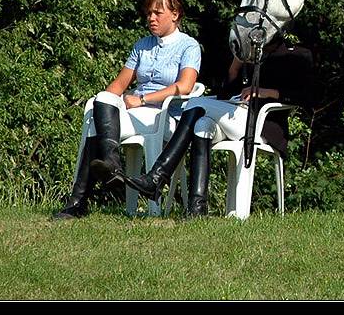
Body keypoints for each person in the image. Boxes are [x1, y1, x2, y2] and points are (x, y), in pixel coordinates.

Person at [120, 35, 313, 217]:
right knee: (202, 125)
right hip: (233, 115)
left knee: (195, 103)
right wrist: (234, 69)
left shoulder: (295, 54)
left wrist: (266, 92)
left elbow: (306, 96)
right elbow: (225, 95)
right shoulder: (250, 54)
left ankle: (157, 177)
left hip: (260, 123)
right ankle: (197, 207)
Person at [53, 0, 201, 219]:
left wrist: (142, 99)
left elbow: (185, 86)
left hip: (163, 114)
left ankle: (80, 201)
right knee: (99, 103)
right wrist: (101, 101)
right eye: (148, 13)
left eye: (157, 13)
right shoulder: (142, 45)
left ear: (175, 14)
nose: (151, 18)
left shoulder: (188, 46)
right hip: (135, 110)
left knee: (96, 127)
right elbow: (119, 85)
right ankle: (109, 167)